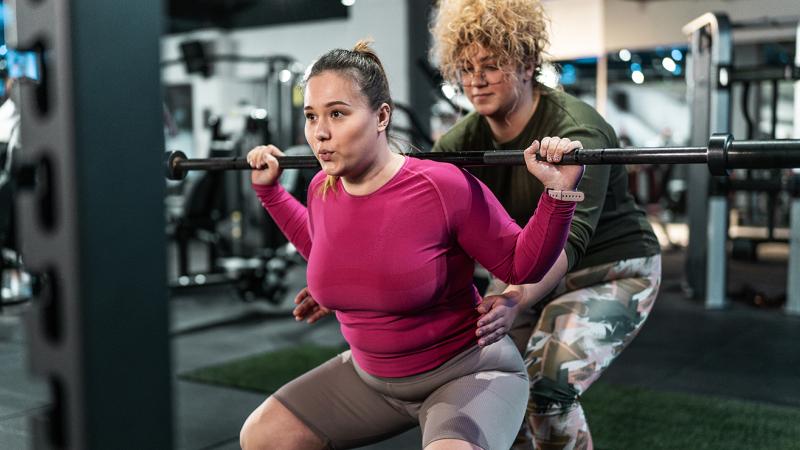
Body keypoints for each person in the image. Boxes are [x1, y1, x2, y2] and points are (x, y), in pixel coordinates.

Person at [238, 40, 584, 450]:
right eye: (311, 116)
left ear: (382, 116)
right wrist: (271, 193)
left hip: (465, 373)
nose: (321, 133)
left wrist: (558, 196)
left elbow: (518, 267)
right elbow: (323, 248)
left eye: (337, 113)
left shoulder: (442, 186)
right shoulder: (321, 187)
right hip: (369, 381)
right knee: (262, 437)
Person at [429, 1, 662, 449]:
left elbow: (570, 242)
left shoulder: (577, 132)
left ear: (527, 63)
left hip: (612, 269)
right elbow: (415, 212)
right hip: (529, 272)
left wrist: (513, 297)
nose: (475, 80)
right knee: (493, 389)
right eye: (466, 67)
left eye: (492, 66)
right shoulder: (460, 142)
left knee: (546, 386)